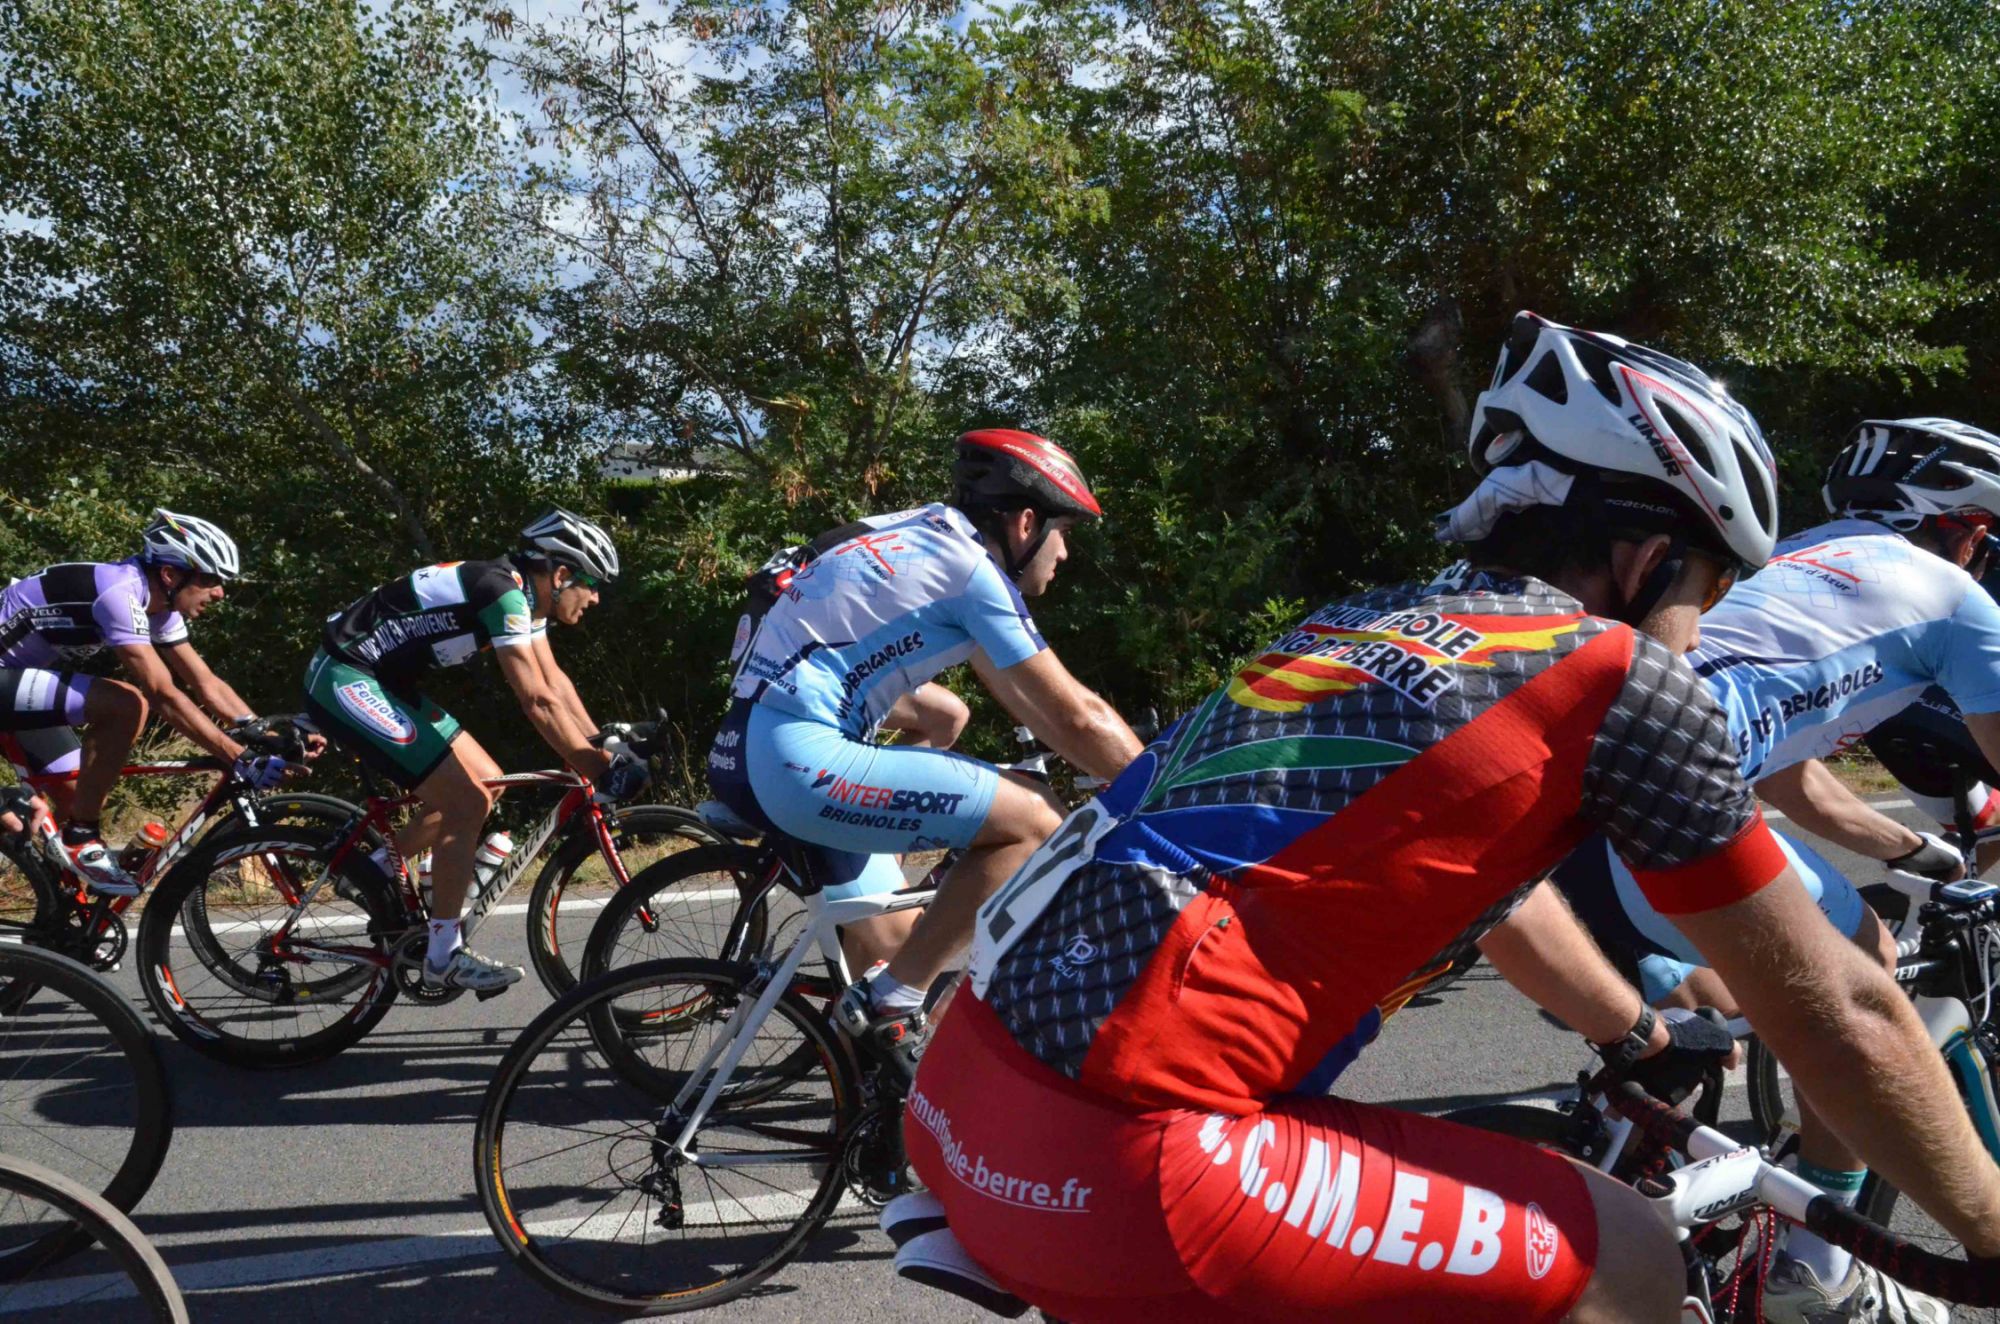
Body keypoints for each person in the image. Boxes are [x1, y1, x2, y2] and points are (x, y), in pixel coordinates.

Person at [905, 314, 2000, 1323]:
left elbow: (1491, 897)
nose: (1705, 630)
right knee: (1630, 1256)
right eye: (1709, 589)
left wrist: (1632, 1031)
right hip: (1125, 1167)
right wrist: (1989, 1231)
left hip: (959, 1107)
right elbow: (1840, 1009)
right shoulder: (1614, 677)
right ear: (1643, 559)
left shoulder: (1358, 624)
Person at [1551, 416, 2000, 1318]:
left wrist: (1909, 847)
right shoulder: (1957, 598)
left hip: (1570, 812)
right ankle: (1818, 1270)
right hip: (1658, 809)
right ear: (1968, 532)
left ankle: (1640, 1163)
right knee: (1862, 973)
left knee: (1713, 1011)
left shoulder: (1790, 563)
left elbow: (1790, 775)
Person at [707, 429, 1143, 1064]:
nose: (1065, 553)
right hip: (798, 760)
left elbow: (1031, 702)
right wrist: (1158, 789)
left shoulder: (923, 533)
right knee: (1036, 819)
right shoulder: (973, 573)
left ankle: (867, 1092)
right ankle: (894, 1001)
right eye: (1064, 533)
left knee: (894, 939)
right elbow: (1075, 717)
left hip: (747, 747)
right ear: (1027, 523)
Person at [301, 508, 639, 993]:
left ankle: (371, 873)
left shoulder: (523, 595)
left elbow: (554, 684)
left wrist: (599, 745)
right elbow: (536, 701)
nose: (597, 597)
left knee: (487, 782)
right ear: (561, 575)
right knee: (467, 801)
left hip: (382, 680)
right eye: (592, 584)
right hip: (344, 676)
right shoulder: (502, 593)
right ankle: (443, 957)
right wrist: (599, 769)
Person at [0, 510, 282, 894]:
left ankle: (61, 915)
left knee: (77, 794)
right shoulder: (118, 594)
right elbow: (162, 693)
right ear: (170, 574)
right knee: (126, 704)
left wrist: (263, 734)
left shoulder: (159, 607)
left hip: (13, 680)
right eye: (209, 579)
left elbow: (205, 683)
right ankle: (81, 837)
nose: (219, 592)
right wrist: (236, 755)